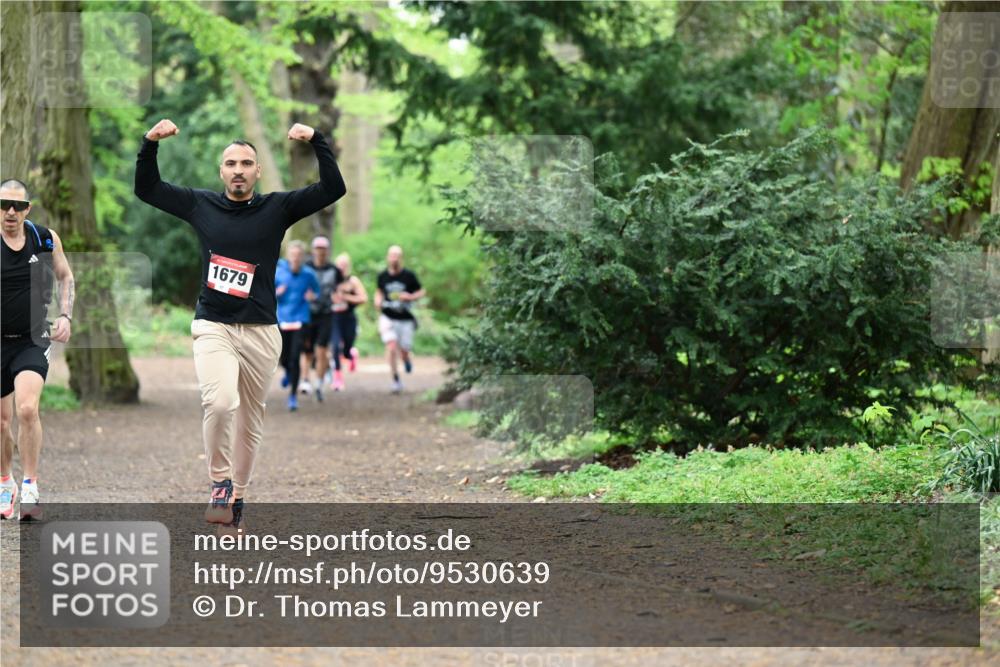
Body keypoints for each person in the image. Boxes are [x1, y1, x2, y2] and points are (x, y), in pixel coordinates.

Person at [134, 119, 346, 531]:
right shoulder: (201, 205)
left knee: (251, 418)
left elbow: (332, 189)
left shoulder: (278, 208)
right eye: (230, 163)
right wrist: (149, 144)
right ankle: (219, 483)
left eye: (246, 163)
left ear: (257, 171)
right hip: (213, 325)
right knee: (219, 402)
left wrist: (317, 141)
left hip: (262, 331)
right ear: (221, 171)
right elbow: (148, 189)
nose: (238, 169)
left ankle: (239, 496)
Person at [0, 179, 75, 521]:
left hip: (32, 337)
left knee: (27, 408)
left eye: (17, 206)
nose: (10, 212)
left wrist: (65, 315)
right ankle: (6, 482)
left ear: (28, 208)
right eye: (3, 205)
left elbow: (65, 276)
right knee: (2, 422)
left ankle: (30, 484)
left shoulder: (45, 238)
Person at [375, 245, 424, 394]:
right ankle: (396, 380)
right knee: (391, 346)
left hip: (405, 318)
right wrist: (377, 301)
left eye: (397, 256)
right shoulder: (382, 276)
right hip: (388, 316)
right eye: (392, 255)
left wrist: (410, 297)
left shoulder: (409, 275)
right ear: (388, 257)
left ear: (401, 258)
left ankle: (406, 358)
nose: (394, 258)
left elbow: (421, 291)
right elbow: (378, 292)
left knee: (404, 349)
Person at [276, 241, 319, 412]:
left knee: (295, 357)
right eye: (293, 255)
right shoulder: (279, 272)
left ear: (302, 257)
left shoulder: (308, 274)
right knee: (283, 357)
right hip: (282, 319)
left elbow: (317, 291)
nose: (295, 258)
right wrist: (276, 293)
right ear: (288, 256)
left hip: (301, 319)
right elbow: (267, 292)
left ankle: (293, 395)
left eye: (299, 255)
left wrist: (312, 296)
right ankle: (287, 371)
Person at [299, 236, 340, 401]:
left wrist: (339, 297)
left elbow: (339, 288)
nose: (320, 252)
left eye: (323, 249)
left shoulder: (334, 270)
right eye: (318, 248)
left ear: (327, 250)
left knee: (322, 350)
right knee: (306, 350)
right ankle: (305, 380)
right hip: (307, 313)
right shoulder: (306, 267)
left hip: (326, 313)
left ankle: (320, 383)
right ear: (313, 250)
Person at [329, 252, 367, 391]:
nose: (342, 268)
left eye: (345, 265)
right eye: (339, 265)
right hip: (334, 318)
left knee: (345, 349)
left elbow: (363, 298)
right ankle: (338, 378)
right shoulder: (331, 279)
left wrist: (346, 296)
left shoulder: (353, 281)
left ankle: (351, 354)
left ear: (348, 267)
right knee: (335, 346)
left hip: (349, 318)